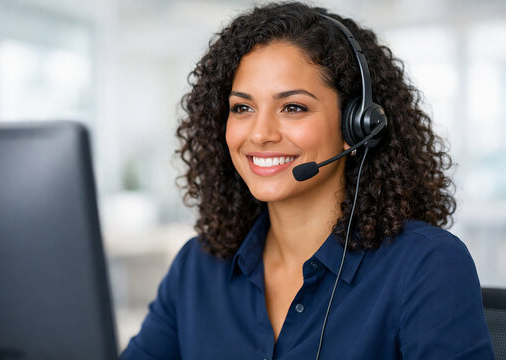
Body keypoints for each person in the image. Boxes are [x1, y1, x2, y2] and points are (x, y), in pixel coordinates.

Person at [120, 2, 494, 359]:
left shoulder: (426, 265)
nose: (260, 133)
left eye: (293, 107)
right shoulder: (198, 268)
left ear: (357, 126)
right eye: (242, 108)